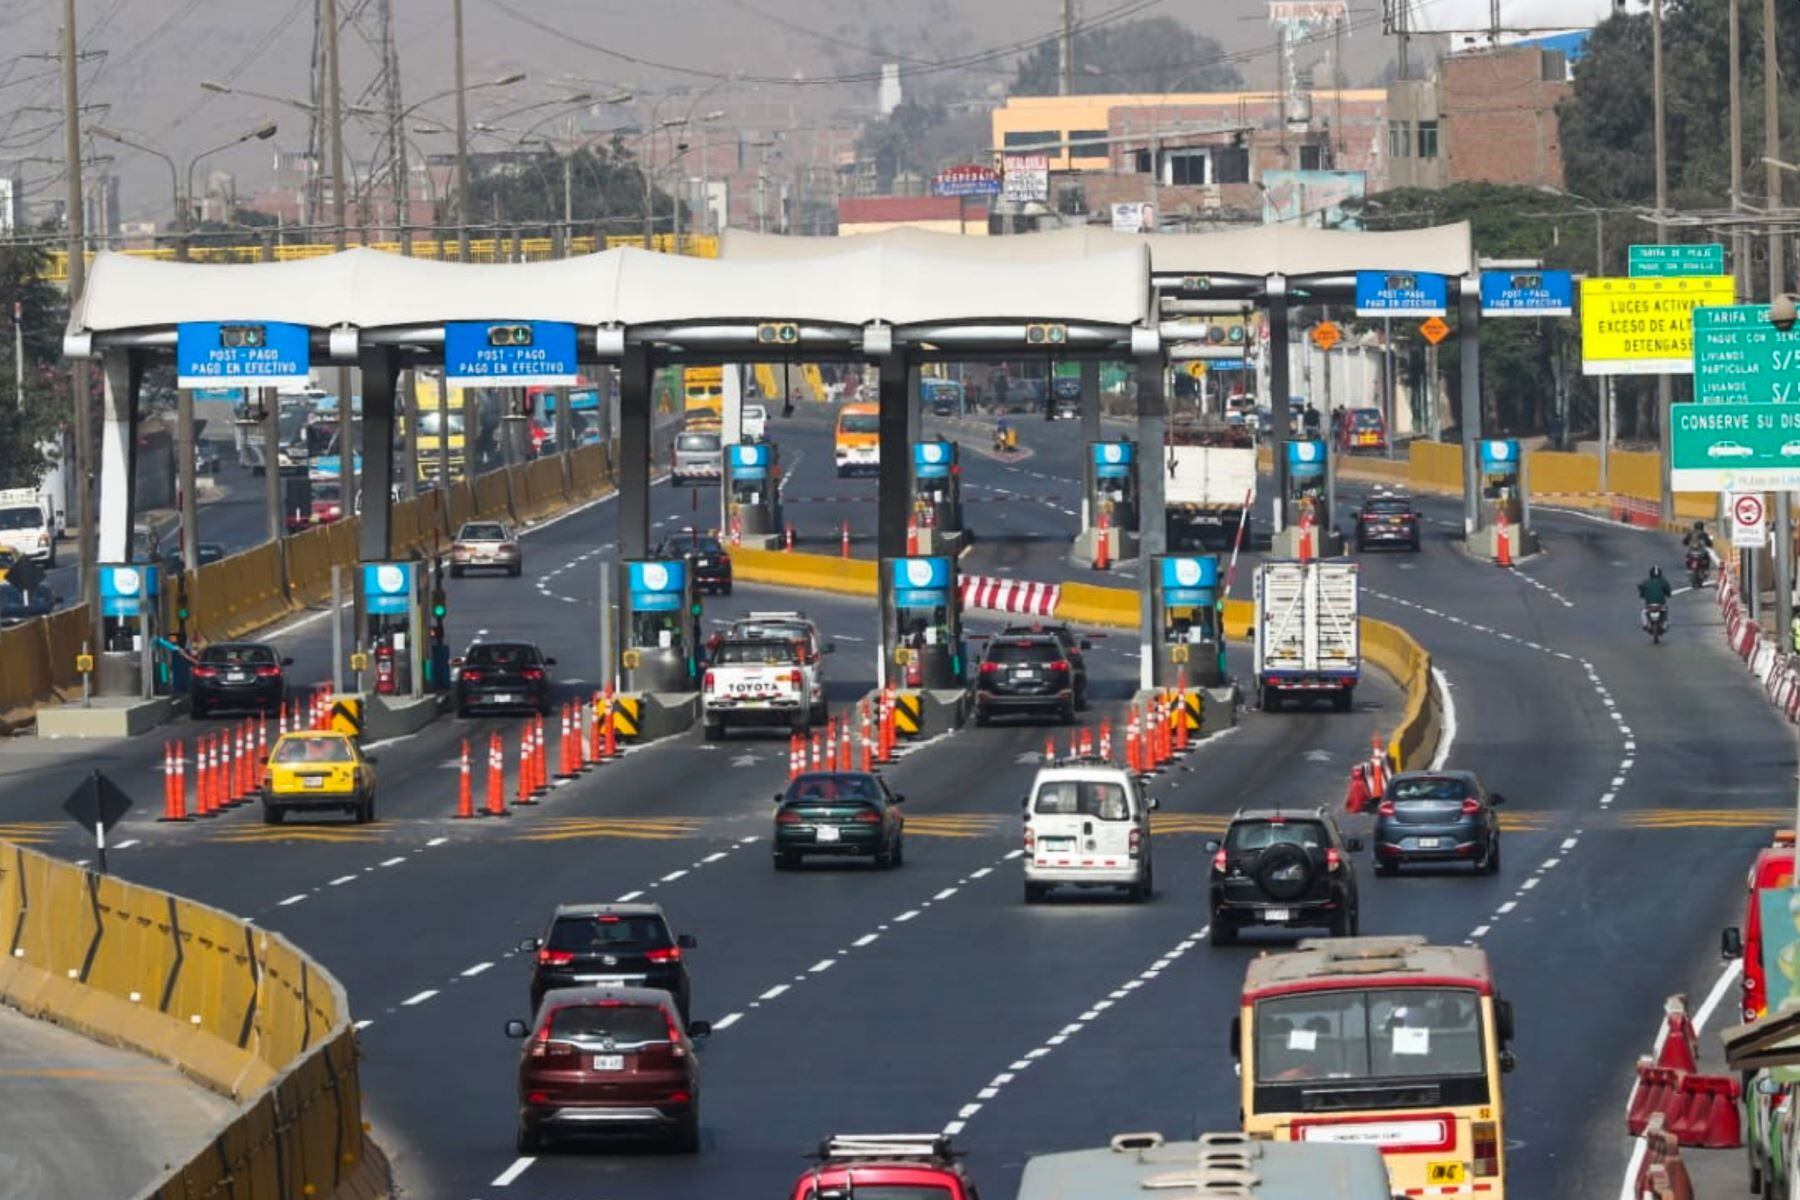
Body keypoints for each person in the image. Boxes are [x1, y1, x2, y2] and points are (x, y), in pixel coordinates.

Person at [1638, 565, 1674, 630]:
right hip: (1660, 605)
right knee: (1666, 612)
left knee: (1643, 612)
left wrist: (1643, 596)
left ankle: (1645, 624)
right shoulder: (1664, 582)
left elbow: (1641, 593)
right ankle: (1665, 625)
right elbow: (1668, 593)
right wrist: (1667, 594)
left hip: (1649, 605)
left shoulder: (1646, 582)